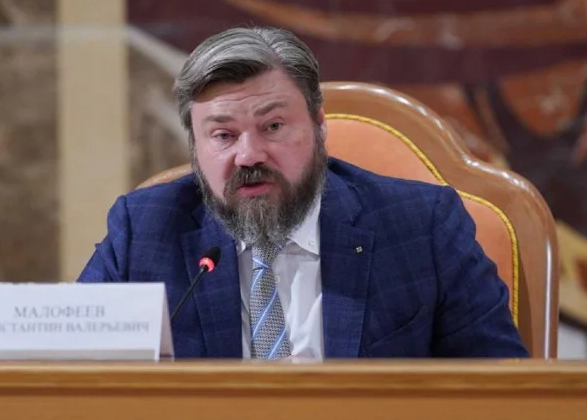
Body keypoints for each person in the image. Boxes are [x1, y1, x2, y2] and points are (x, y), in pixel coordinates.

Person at [78, 26, 527, 360]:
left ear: (319, 125)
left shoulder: (420, 227)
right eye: (223, 135)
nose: (249, 155)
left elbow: (502, 392)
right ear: (195, 146)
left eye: (273, 126)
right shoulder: (146, 231)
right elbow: (74, 374)